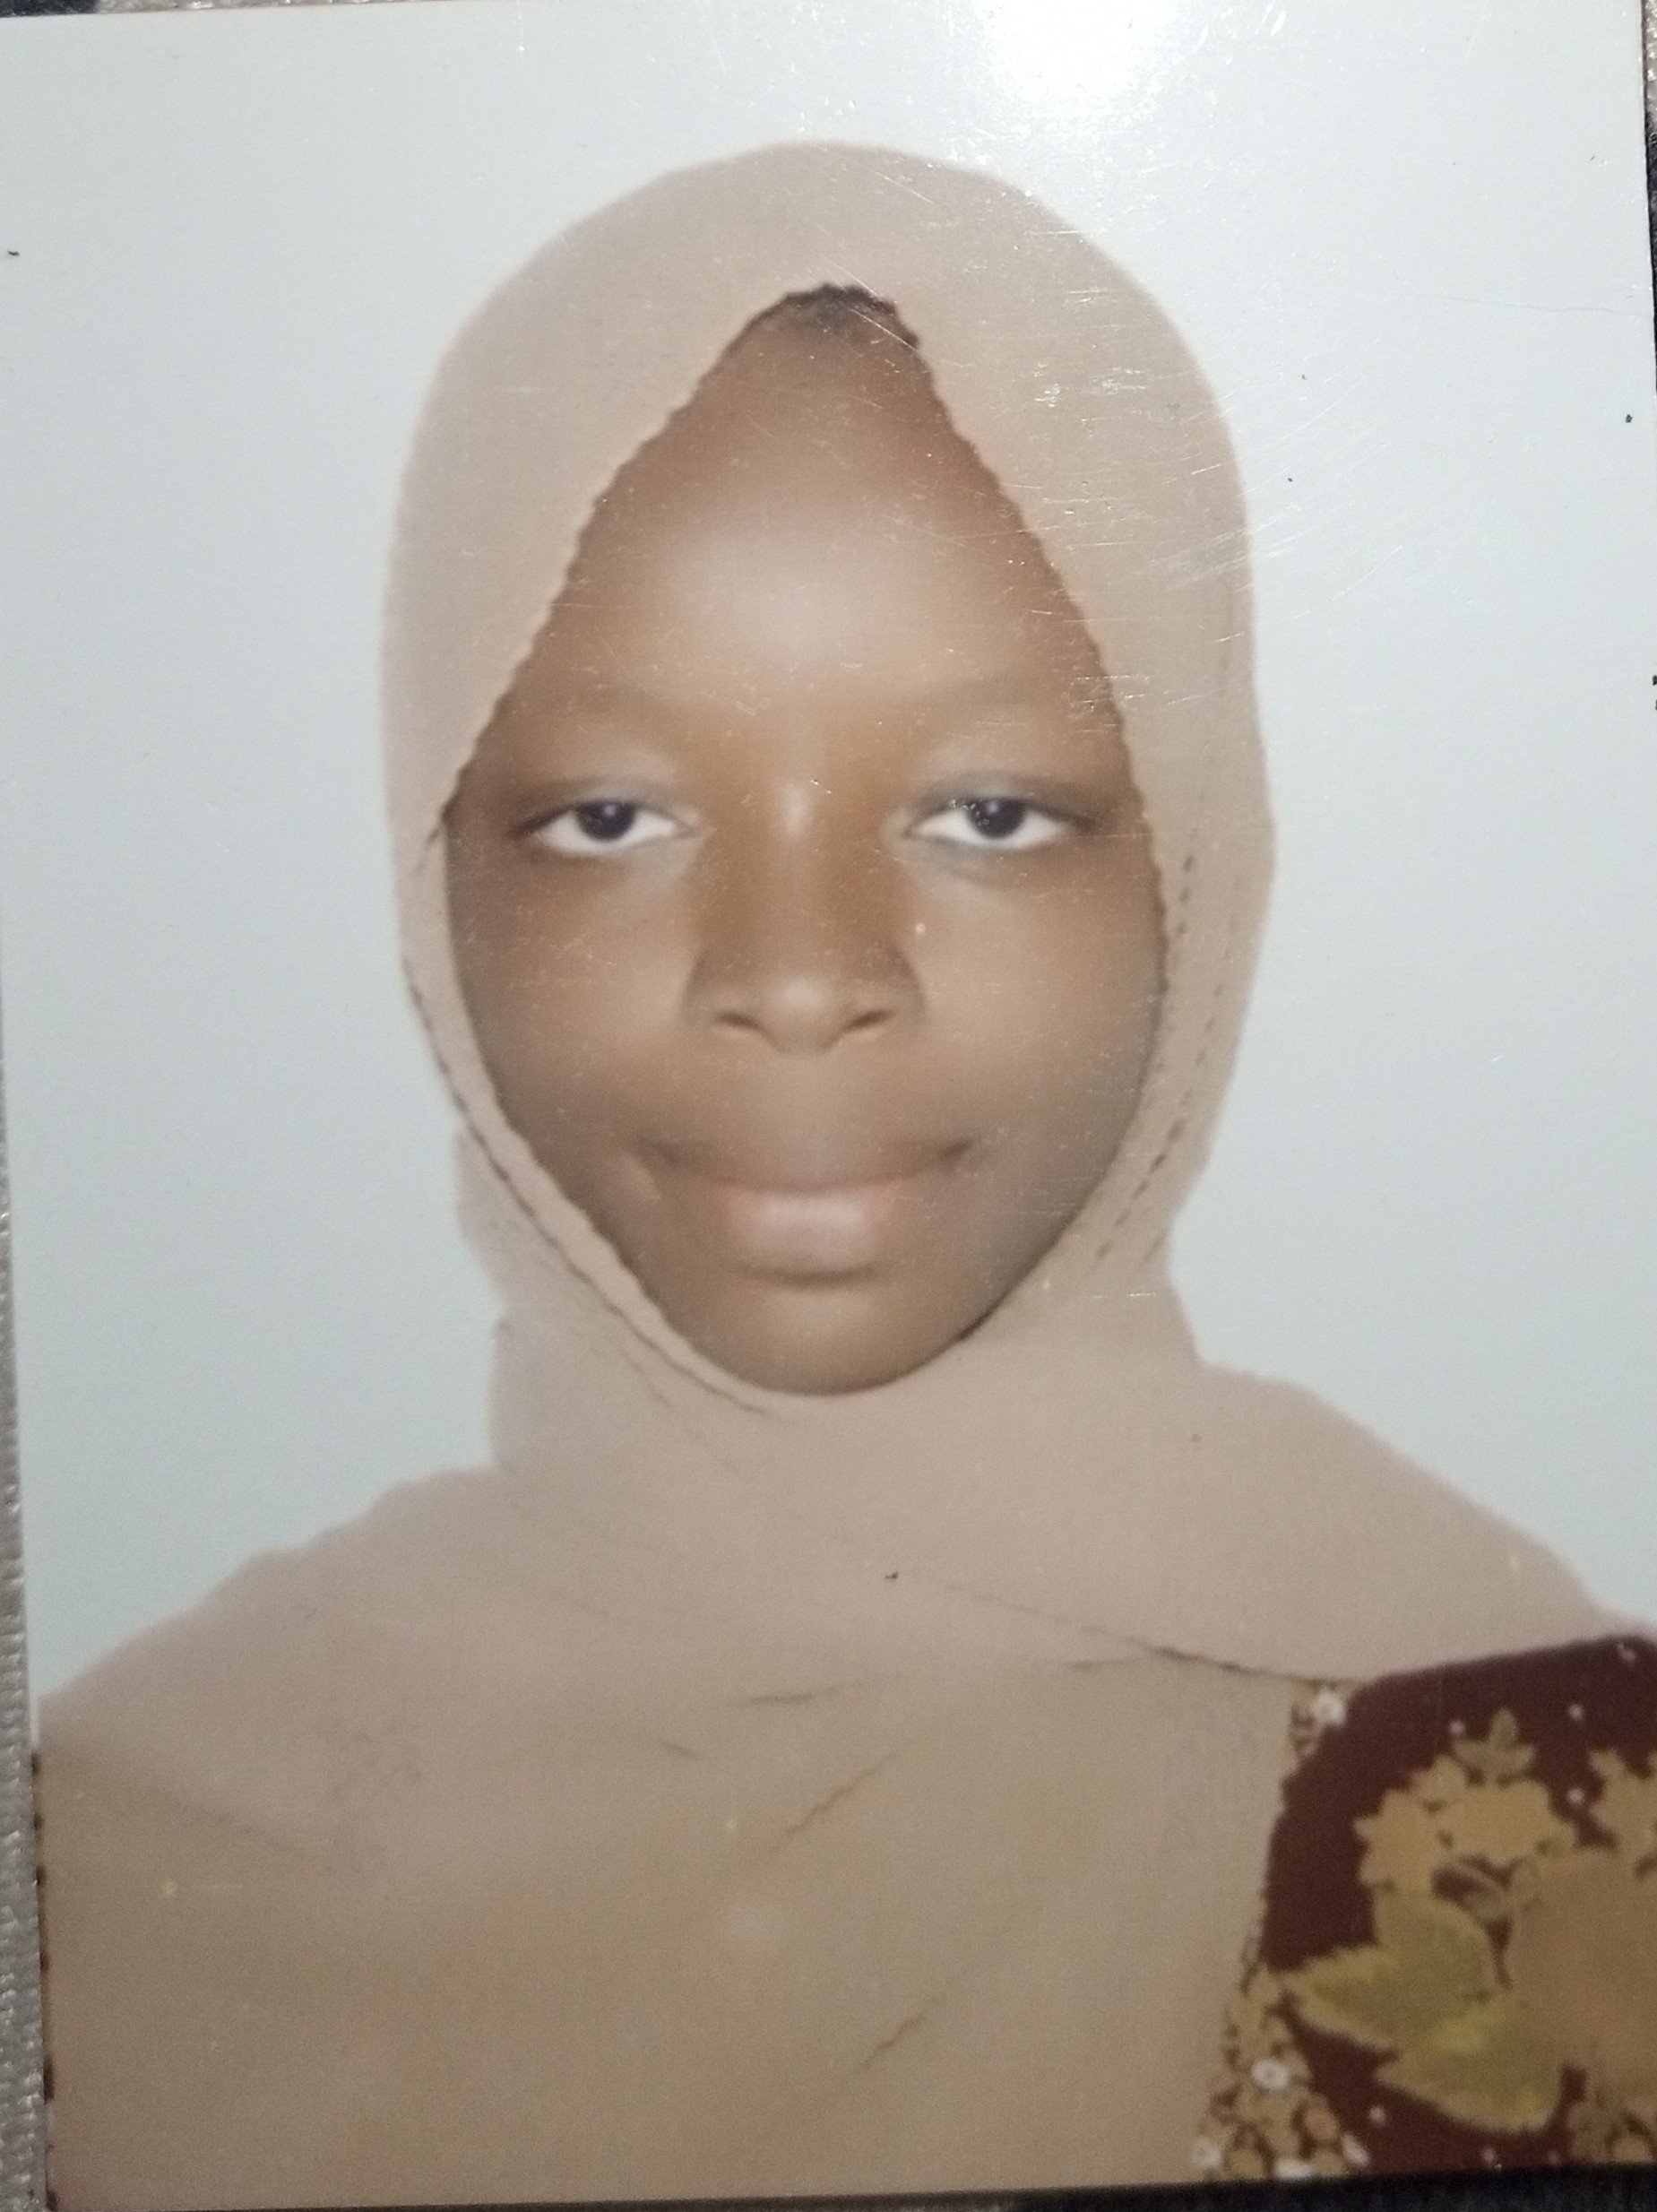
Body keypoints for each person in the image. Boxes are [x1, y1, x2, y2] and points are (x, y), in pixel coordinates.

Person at [34, 144, 1650, 2208]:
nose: (799, 978)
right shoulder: (113, 1863)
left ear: (1191, 861)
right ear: (434, 876)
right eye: (608, 818)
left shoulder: (1549, 1815)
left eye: (989, 811)